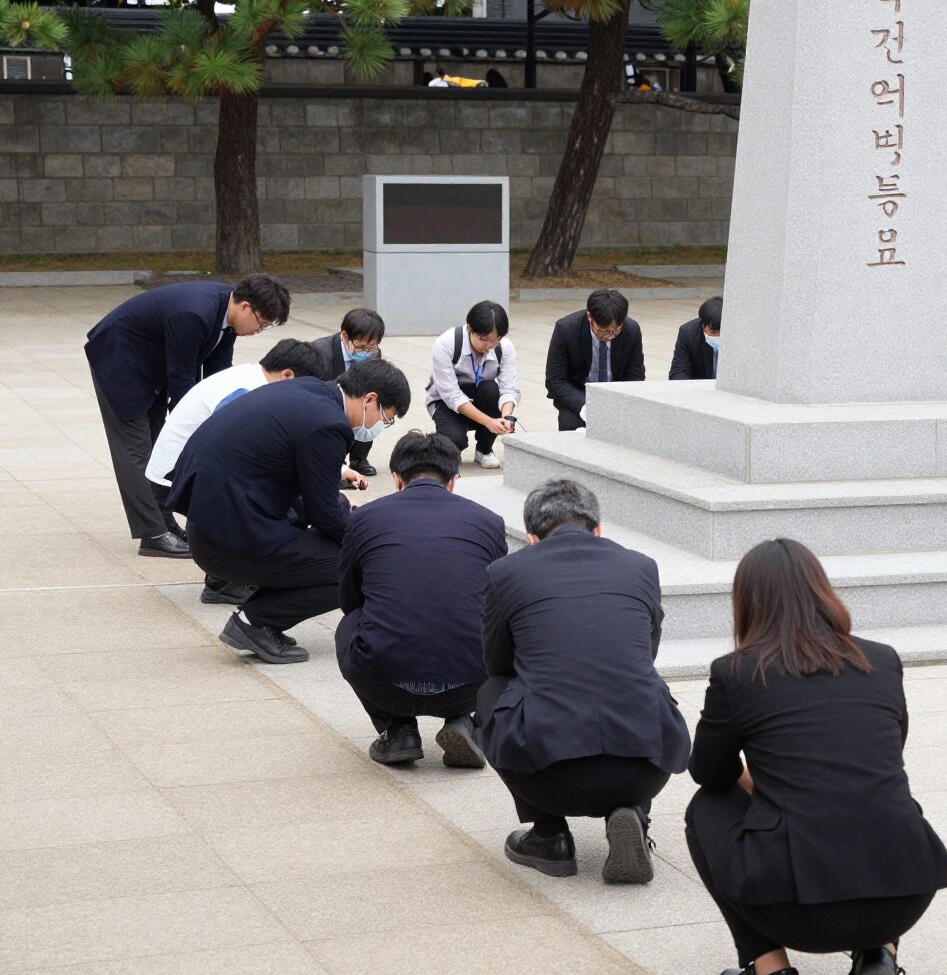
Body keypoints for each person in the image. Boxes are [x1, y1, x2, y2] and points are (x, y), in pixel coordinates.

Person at [685, 539, 947, 975]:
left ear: (748, 603)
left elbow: (708, 771)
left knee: (706, 806)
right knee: (878, 796)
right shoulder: (881, 660)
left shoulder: (738, 672)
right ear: (822, 592)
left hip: (795, 912)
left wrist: (765, 787)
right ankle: (879, 955)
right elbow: (885, 756)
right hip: (904, 893)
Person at [478, 478, 688, 883]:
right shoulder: (641, 566)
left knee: (491, 690)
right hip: (644, 770)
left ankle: (549, 836)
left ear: (533, 538)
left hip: (547, 778)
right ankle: (633, 814)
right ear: (598, 528)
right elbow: (647, 653)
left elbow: (496, 662)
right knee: (642, 680)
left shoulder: (506, 572)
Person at [168, 359, 411, 665]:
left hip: (213, 522)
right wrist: (374, 539)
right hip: (226, 539)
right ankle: (255, 623)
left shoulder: (310, 391)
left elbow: (314, 494)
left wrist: (344, 514)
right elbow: (324, 515)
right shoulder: (329, 424)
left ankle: (254, 617)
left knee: (337, 527)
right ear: (370, 399)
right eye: (385, 419)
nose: (379, 427)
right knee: (355, 565)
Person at [84, 273, 291, 558]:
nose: (259, 330)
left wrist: (225, 420)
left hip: (151, 368)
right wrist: (197, 427)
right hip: (120, 360)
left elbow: (218, 375)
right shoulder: (194, 313)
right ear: (245, 306)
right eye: (262, 323)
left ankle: (165, 524)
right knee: (136, 451)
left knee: (160, 447)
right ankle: (152, 534)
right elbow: (183, 380)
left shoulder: (228, 317)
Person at [336, 431, 508, 768]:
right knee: (493, 627)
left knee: (350, 624)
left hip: (384, 679)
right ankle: (465, 719)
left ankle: (398, 729)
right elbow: (497, 603)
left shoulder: (364, 519)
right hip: (471, 681)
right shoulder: (489, 522)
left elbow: (349, 598)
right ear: (453, 480)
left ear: (397, 479)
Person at [146, 338, 328, 605]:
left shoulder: (249, 375)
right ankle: (223, 582)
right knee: (272, 502)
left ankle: (227, 575)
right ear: (288, 375)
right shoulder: (250, 391)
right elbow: (235, 453)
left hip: (180, 468)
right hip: (178, 476)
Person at [423, 301, 520, 470]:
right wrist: (489, 422)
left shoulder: (505, 347)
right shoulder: (447, 344)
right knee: (455, 441)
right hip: (445, 402)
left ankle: (484, 450)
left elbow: (509, 388)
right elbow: (451, 395)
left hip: (482, 396)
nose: (489, 346)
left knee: (491, 388)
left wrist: (505, 418)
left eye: (495, 341)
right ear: (469, 329)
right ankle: (447, 447)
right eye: (484, 340)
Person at [544, 288, 644, 430]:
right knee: (571, 426)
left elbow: (636, 377)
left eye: (615, 331)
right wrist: (584, 405)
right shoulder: (566, 329)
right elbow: (555, 381)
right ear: (590, 316)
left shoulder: (631, 330)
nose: (609, 336)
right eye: (603, 331)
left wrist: (622, 402)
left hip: (617, 397)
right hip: (579, 397)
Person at [311, 307, 387, 478]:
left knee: (371, 406)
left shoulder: (373, 354)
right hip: (326, 398)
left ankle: (359, 459)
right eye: (361, 345)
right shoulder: (320, 353)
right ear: (345, 336)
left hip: (354, 395)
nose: (366, 351)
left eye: (372, 346)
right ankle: (335, 462)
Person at [669, 295, 722, 380]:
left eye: (721, 332)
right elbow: (678, 372)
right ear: (703, 324)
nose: (718, 336)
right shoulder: (688, 333)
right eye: (713, 331)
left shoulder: (739, 336)